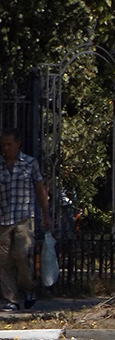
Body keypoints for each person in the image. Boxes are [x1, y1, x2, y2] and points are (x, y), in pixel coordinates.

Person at [0, 128, 52, 311]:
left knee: (22, 254)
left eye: (9, 144)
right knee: (3, 260)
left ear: (18, 144)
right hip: (3, 219)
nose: (6, 148)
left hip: (23, 217)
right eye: (3, 145)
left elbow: (40, 190)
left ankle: (28, 287)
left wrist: (46, 215)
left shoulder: (30, 164)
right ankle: (11, 299)